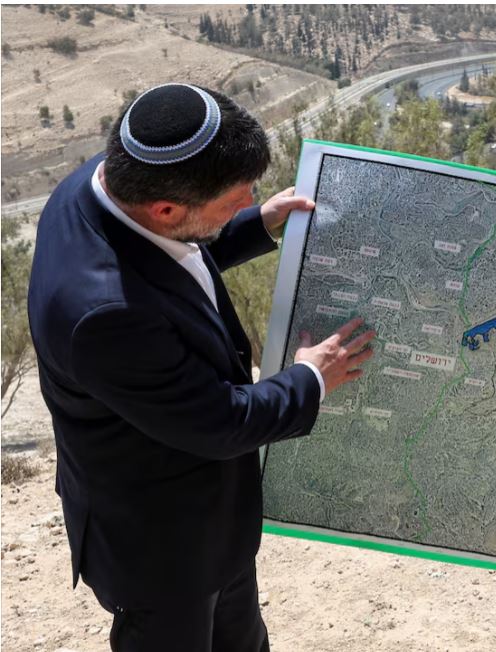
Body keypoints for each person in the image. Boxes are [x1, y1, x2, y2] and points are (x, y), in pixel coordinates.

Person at [27, 83, 375, 652]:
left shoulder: (120, 176)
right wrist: (313, 375)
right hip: (158, 544)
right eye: (234, 200)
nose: (247, 200)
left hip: (213, 521)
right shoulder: (101, 313)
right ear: (167, 208)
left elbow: (172, 256)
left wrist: (258, 221)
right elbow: (218, 422)